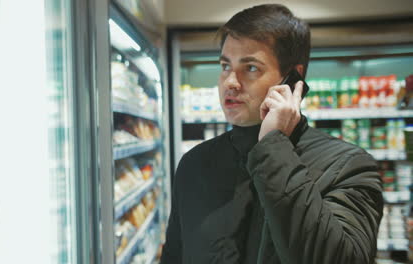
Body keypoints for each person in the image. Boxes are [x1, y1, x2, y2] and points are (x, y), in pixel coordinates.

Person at [160, 4, 384, 264]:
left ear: (292, 79)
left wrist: (272, 148)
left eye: (251, 68)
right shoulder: (195, 164)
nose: (230, 82)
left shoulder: (349, 166)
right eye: (225, 65)